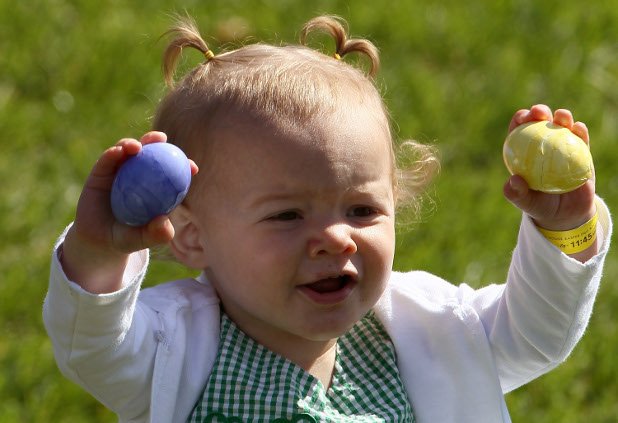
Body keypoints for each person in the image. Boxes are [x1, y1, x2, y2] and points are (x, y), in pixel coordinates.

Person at [43, 15, 612, 423]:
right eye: (287, 215)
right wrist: (100, 249)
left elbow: (537, 334)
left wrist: (567, 228)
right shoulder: (169, 344)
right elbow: (92, 345)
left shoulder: (436, 328)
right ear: (192, 235)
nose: (336, 237)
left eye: (362, 209)